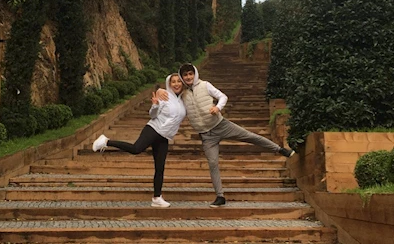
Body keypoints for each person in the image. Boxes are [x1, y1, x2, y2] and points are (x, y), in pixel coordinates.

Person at [157, 62, 293, 208]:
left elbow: (223, 96)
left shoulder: (205, 85)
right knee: (213, 163)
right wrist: (159, 90)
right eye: (185, 75)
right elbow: (171, 90)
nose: (188, 77)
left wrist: (217, 107)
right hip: (206, 135)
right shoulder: (182, 92)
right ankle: (220, 196)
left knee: (250, 136)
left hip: (221, 125)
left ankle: (280, 150)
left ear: (195, 74)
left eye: (190, 74)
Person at [92, 73, 186, 208]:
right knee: (136, 149)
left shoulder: (183, 101)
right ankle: (106, 141)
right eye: (173, 82)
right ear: (169, 84)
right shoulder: (164, 96)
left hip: (164, 136)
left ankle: (157, 198)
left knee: (160, 167)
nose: (176, 84)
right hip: (153, 129)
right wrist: (155, 105)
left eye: (179, 81)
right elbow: (153, 115)